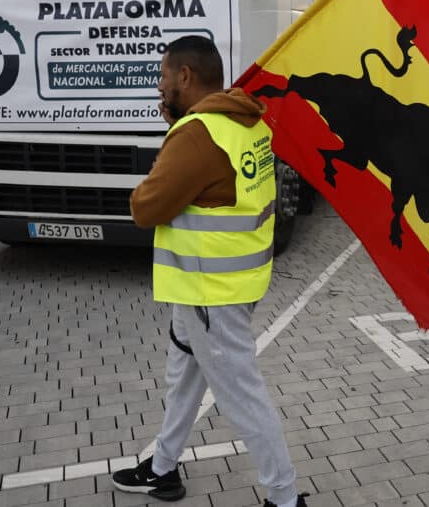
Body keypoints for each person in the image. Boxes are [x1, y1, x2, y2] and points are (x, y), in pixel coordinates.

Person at [111, 35, 305, 507]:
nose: (159, 86)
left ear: (185, 76)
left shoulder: (197, 136)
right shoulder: (247, 122)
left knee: (242, 395)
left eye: (162, 76)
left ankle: (285, 499)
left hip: (209, 293)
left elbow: (145, 207)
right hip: (228, 284)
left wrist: (171, 149)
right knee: (184, 374)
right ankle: (162, 469)